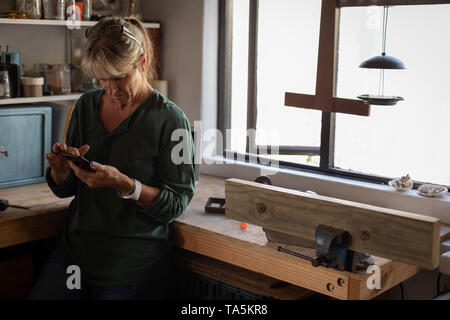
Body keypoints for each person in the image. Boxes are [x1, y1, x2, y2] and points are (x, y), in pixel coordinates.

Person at [28, 16, 196, 300]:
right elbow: (67, 189)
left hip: (130, 267)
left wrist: (126, 185)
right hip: (75, 257)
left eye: (119, 77)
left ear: (141, 63)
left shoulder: (171, 120)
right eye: (102, 79)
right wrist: (60, 171)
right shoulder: (85, 107)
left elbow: (176, 204)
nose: (111, 88)